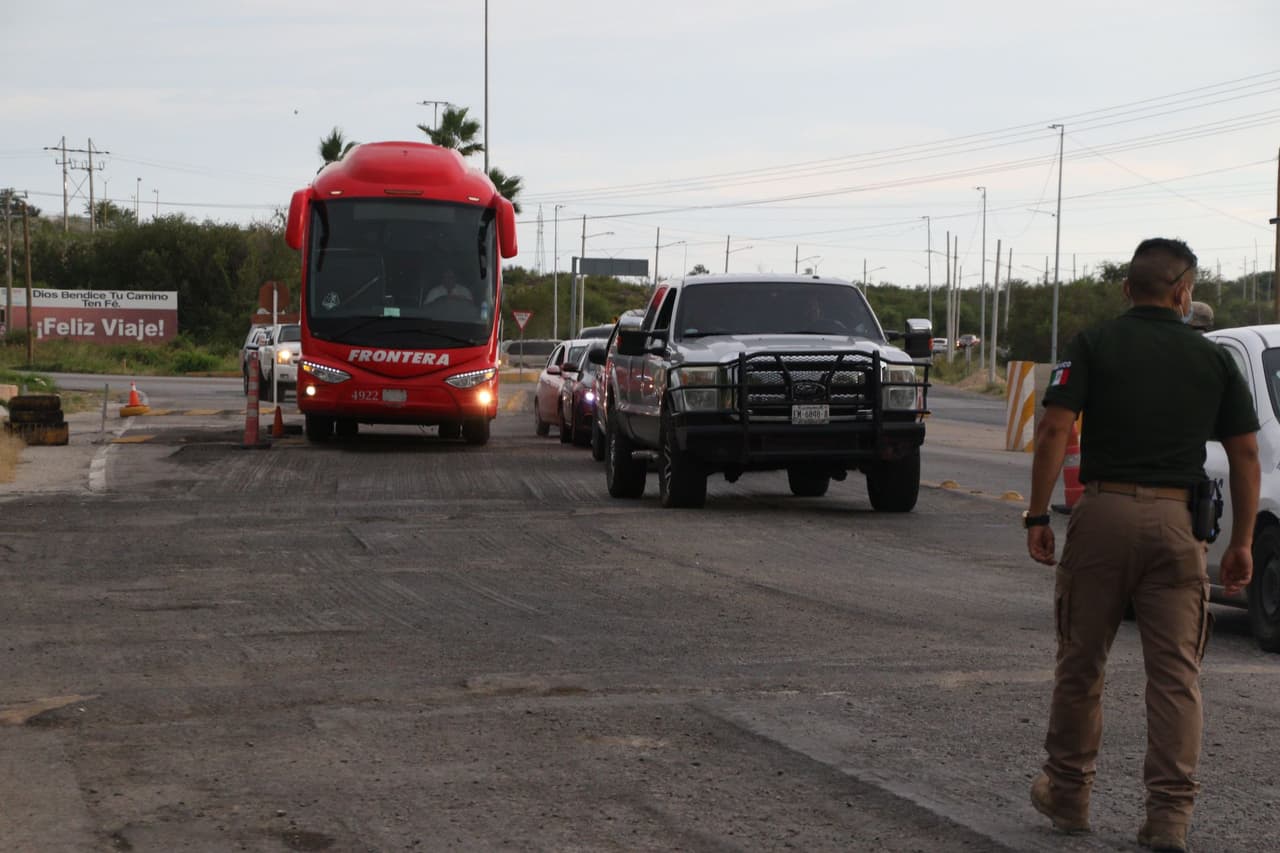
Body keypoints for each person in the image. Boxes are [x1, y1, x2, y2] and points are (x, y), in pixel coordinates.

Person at [1024, 237, 1260, 852]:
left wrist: (1035, 515)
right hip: (1177, 526)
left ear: (1128, 288)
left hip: (1101, 516)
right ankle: (1168, 819)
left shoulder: (1094, 344)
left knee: (1082, 662)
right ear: (1185, 293)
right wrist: (1242, 542)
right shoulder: (1212, 359)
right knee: (1176, 676)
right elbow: (1245, 452)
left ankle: (1070, 796)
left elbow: (1054, 425)